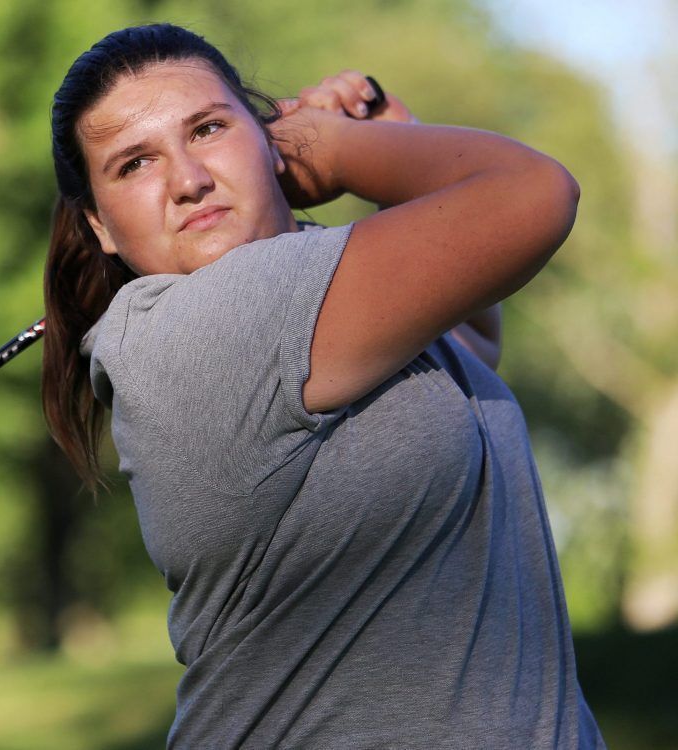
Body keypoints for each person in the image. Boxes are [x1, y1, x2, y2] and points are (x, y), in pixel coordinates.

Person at [41, 22, 605, 749]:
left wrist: (396, 142)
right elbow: (536, 193)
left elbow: (470, 348)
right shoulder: (209, 325)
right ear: (100, 226)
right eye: (135, 164)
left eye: (209, 128)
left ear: (257, 135)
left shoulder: (315, 296)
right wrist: (336, 150)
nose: (187, 180)